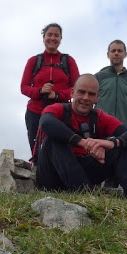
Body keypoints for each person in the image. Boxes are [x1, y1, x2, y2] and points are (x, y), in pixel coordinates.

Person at [34, 73, 127, 199]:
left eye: (91, 94)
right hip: (52, 177)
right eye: (81, 92)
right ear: (72, 93)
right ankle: (85, 196)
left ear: (97, 97)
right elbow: (46, 123)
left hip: (83, 172)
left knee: (124, 149)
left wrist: (112, 143)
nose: (86, 98)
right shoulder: (58, 109)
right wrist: (82, 142)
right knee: (53, 141)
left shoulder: (99, 117)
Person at [20, 23, 80, 160]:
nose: (53, 38)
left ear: (61, 39)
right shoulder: (34, 61)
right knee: (36, 148)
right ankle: (37, 174)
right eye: (49, 35)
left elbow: (77, 88)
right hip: (35, 112)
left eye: (56, 35)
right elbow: (24, 87)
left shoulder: (68, 61)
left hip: (61, 112)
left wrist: (57, 95)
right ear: (44, 37)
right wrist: (40, 91)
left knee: (61, 146)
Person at [95, 39, 127, 128]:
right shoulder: (98, 77)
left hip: (123, 128)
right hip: (100, 127)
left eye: (119, 51)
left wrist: (125, 117)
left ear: (125, 54)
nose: (116, 53)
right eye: (113, 51)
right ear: (108, 55)